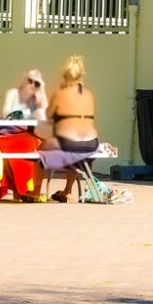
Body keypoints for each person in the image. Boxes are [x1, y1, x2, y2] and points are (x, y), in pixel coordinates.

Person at [44, 55, 99, 202]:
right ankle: (67, 191)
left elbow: (48, 115)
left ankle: (35, 192)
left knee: (39, 150)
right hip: (91, 144)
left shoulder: (60, 93)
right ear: (81, 76)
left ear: (64, 77)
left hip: (70, 144)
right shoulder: (89, 95)